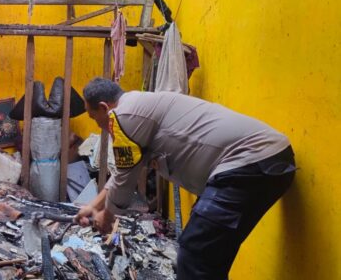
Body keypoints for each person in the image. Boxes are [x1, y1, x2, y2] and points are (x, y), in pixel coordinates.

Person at [75, 78, 295, 279]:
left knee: (196, 253)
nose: (99, 127)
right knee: (208, 257)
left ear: (105, 107)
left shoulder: (122, 116)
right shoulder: (136, 108)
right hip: (262, 163)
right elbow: (126, 169)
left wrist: (108, 215)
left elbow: (125, 176)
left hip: (248, 164)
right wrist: (94, 206)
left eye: (95, 119)